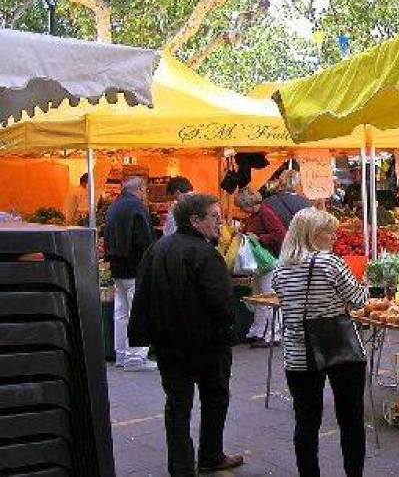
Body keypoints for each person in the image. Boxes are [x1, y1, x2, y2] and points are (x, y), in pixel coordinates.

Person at [129, 193, 244, 476]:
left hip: (168, 344)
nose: (220, 223)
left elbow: (142, 295)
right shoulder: (205, 254)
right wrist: (229, 323)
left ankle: (181, 466)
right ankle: (211, 455)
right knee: (214, 399)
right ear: (195, 220)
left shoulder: (158, 248)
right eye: (214, 217)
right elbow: (221, 304)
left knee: (178, 405)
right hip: (206, 344)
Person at [271, 208, 367, 477]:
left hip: (298, 352)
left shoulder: (280, 269)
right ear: (313, 234)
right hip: (338, 348)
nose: (334, 237)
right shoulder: (330, 263)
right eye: (329, 232)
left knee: (306, 421)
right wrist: (363, 287)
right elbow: (358, 300)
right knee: (350, 420)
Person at [104, 176, 156, 371]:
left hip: (117, 266)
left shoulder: (114, 206)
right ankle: (135, 357)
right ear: (141, 188)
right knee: (138, 311)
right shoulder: (137, 207)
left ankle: (121, 354)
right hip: (135, 266)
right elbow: (144, 240)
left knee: (121, 313)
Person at [235, 188, 287, 347]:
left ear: (249, 203)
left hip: (269, 261)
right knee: (259, 297)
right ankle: (258, 331)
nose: (242, 210)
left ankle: (273, 334)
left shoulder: (266, 213)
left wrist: (260, 238)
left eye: (243, 206)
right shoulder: (255, 215)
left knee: (268, 297)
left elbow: (280, 234)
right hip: (260, 263)